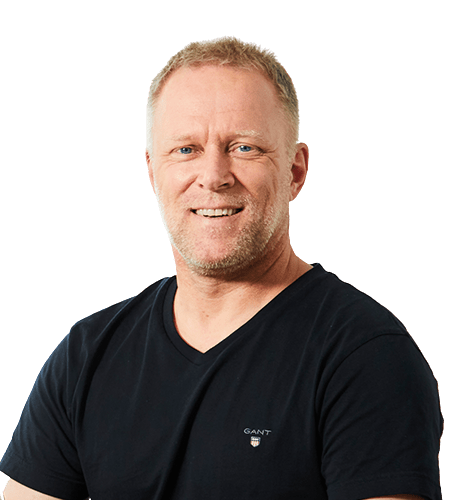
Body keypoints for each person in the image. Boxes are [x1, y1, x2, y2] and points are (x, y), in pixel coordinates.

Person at [0, 36, 443, 500]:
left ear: (294, 171)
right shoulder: (86, 354)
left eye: (244, 148)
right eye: (185, 149)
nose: (213, 176)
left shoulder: (366, 358)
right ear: (152, 171)